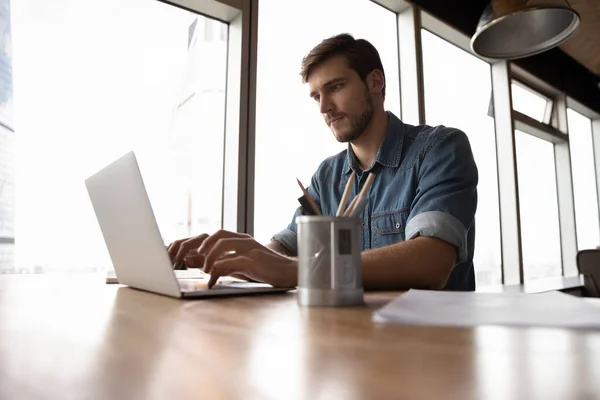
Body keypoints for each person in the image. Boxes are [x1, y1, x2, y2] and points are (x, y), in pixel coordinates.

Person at [167, 33, 478, 291]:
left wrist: (292, 270)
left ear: (375, 82)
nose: (324, 108)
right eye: (316, 96)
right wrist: (232, 259)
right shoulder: (328, 175)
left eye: (336, 87)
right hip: (350, 341)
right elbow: (286, 249)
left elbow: (431, 263)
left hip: (433, 348)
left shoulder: (441, 148)